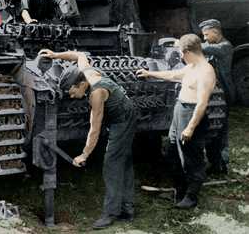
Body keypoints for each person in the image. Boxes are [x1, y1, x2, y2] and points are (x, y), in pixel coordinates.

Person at [39, 49, 137, 230]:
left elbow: (95, 129)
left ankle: (111, 213)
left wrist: (84, 154)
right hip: (122, 112)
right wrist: (55, 55)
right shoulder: (86, 71)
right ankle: (128, 208)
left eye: (71, 91)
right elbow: (79, 55)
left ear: (82, 84)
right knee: (123, 160)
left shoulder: (96, 94)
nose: (70, 95)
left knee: (112, 163)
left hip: (122, 119)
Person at [137, 34, 216, 209]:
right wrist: (150, 73)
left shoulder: (206, 71)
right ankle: (179, 190)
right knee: (173, 150)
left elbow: (202, 104)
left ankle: (191, 197)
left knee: (191, 157)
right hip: (180, 110)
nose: (180, 55)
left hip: (192, 114)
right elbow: (173, 74)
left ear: (188, 51)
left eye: (180, 51)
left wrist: (190, 127)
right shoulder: (192, 66)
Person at [199, 19, 234, 175]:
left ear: (215, 31)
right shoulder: (213, 46)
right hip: (215, 95)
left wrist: (185, 43)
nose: (205, 38)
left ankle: (221, 165)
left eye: (206, 35)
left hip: (224, 94)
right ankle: (215, 163)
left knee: (221, 131)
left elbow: (206, 49)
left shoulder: (225, 47)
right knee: (214, 128)